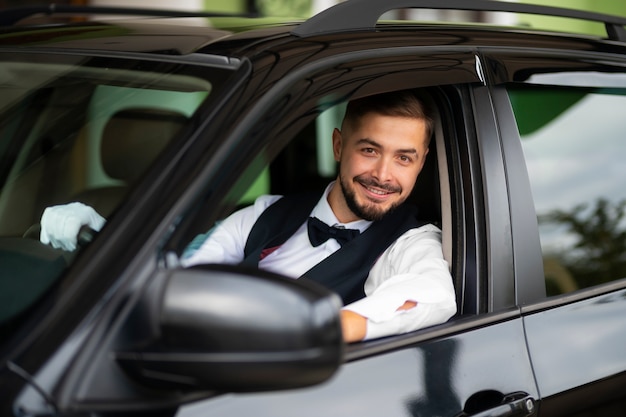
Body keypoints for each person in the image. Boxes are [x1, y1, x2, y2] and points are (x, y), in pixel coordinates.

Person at [40, 90, 457, 343]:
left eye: (404, 158)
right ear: (338, 146)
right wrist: (104, 236)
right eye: (369, 150)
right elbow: (182, 273)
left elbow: (432, 295)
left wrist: (315, 330)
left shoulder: (411, 241)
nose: (384, 175)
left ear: (420, 165)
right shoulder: (264, 212)